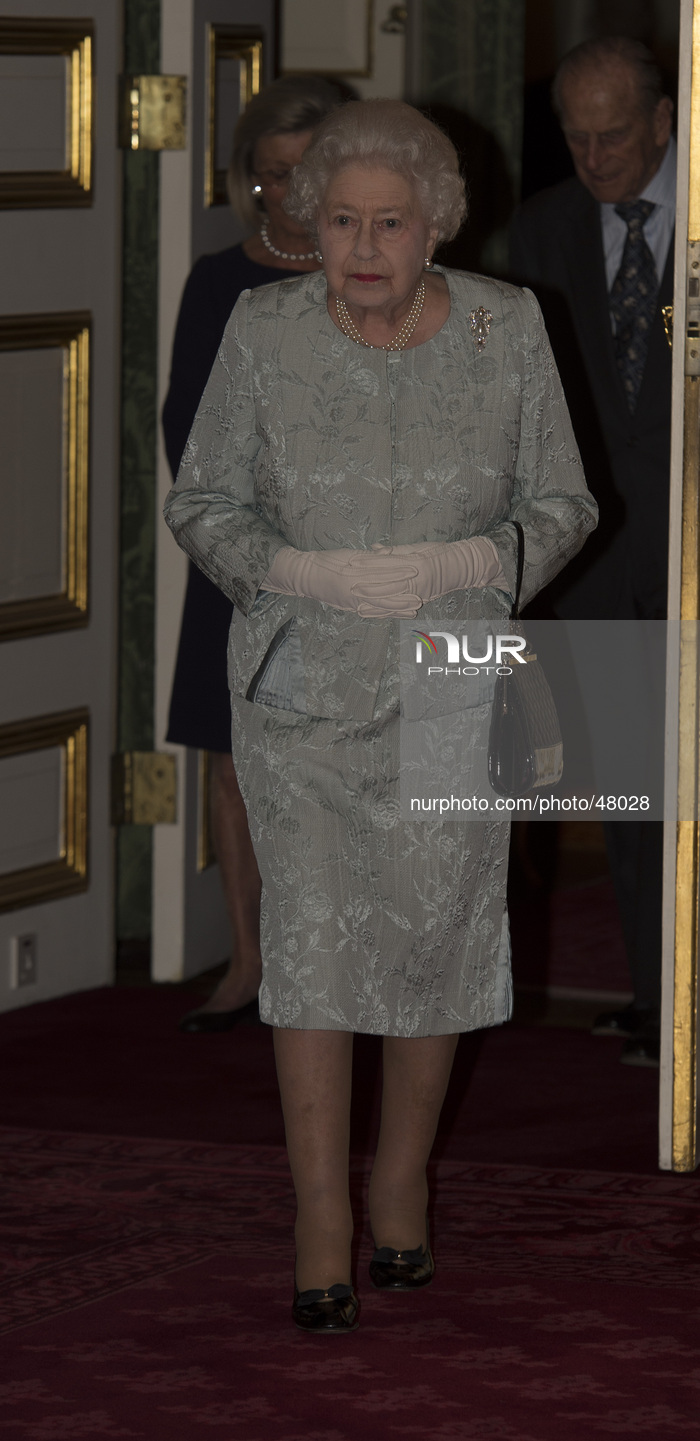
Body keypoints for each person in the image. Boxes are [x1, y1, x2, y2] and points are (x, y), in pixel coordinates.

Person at [164, 99, 597, 1333]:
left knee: (435, 936)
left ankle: (400, 1180)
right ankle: (316, 1210)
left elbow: (565, 502)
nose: (361, 245)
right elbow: (204, 501)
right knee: (309, 943)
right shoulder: (263, 326)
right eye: (340, 220)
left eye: (388, 223)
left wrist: (480, 556)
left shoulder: (509, 328)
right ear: (310, 222)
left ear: (436, 225)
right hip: (303, 673)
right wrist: (291, 572)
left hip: (458, 659)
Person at [509, 37, 675, 1068]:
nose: (595, 154)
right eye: (575, 134)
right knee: (630, 802)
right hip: (601, 563)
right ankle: (663, 1005)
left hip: (695, 547)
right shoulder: (540, 230)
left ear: (663, 121)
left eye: (614, 133)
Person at [164, 76, 341, 1033]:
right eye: (272, 176)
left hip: (351, 558)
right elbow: (185, 425)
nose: (289, 193)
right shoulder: (218, 280)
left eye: (306, 171)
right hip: (236, 558)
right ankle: (249, 962)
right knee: (233, 763)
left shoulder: (374, 267)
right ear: (250, 180)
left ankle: (342, 963)